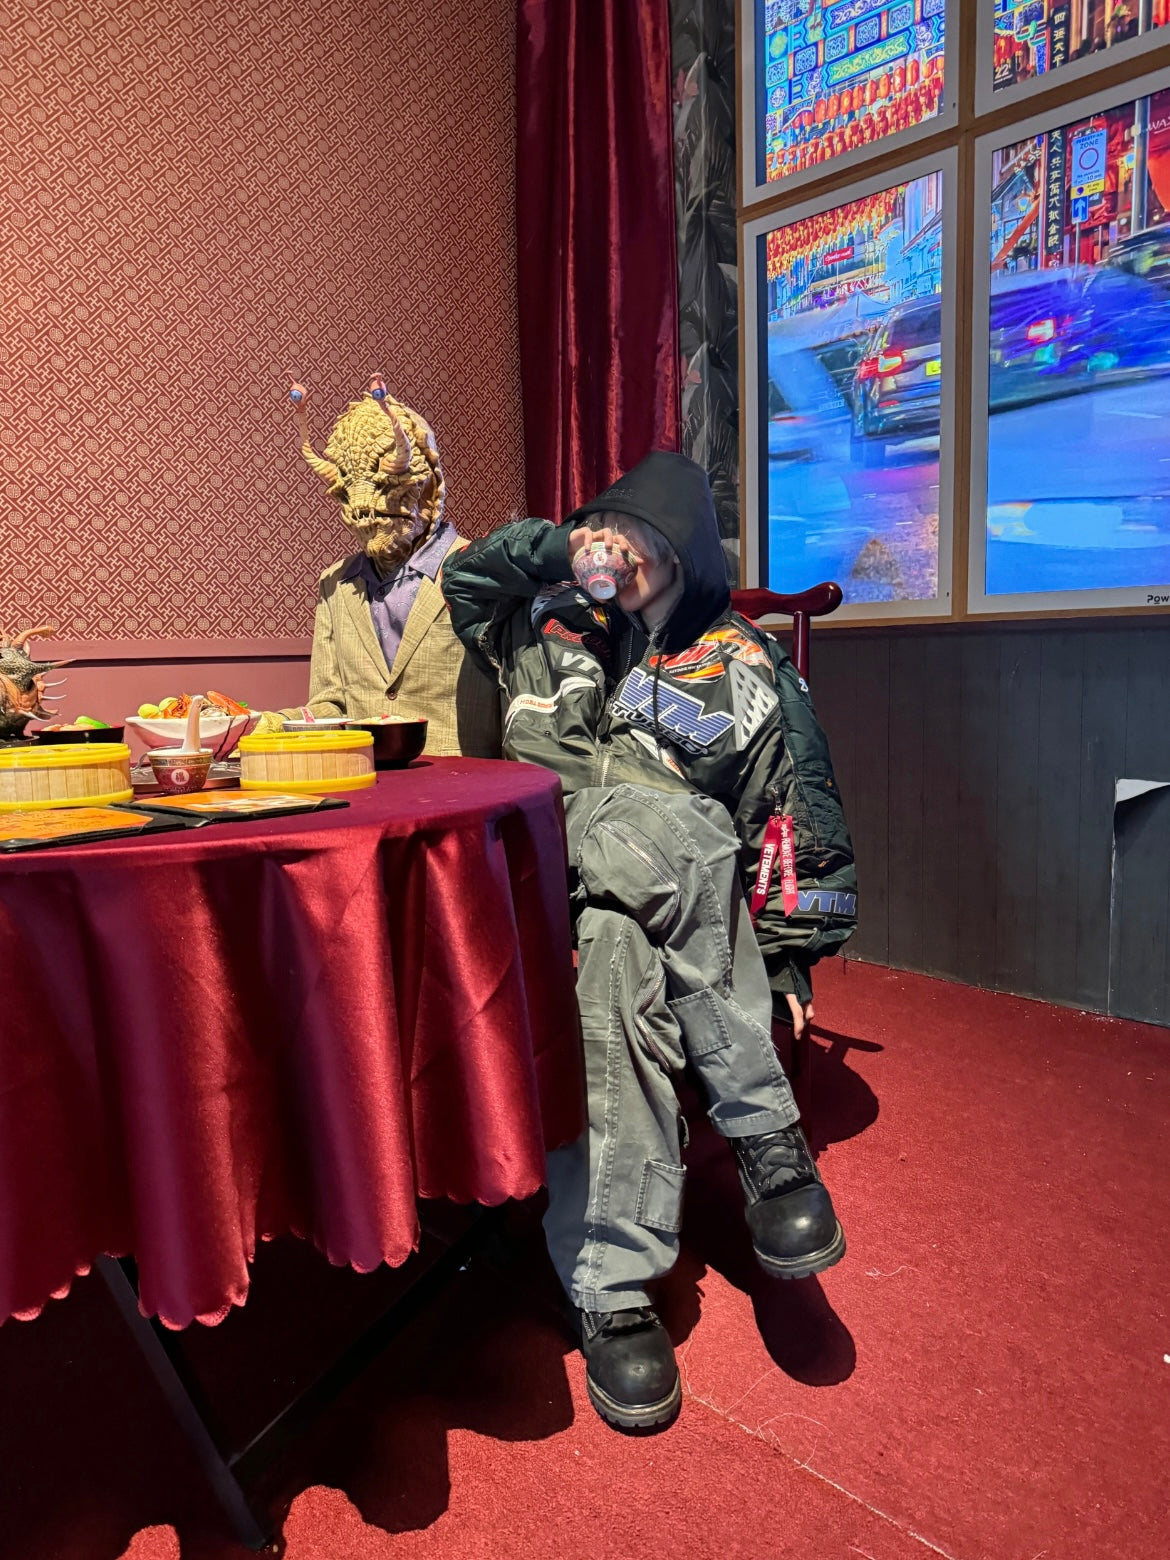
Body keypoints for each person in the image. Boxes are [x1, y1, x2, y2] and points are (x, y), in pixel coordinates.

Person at [443, 451, 857, 1432]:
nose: (617, 553)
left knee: (617, 962)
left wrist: (788, 950)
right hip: (539, 852)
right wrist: (558, 551)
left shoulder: (741, 660)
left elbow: (795, 803)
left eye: (641, 539)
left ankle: (610, 1289)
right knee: (688, 829)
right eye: (604, 530)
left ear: (686, 557)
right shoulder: (537, 619)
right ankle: (766, 1138)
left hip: (639, 906)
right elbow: (464, 578)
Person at [272, 380, 500, 756]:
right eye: (346, 494)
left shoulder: (484, 572)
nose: (363, 510)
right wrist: (270, 723)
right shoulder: (335, 585)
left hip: (465, 783)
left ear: (428, 486)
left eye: (388, 488)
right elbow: (330, 705)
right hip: (366, 780)